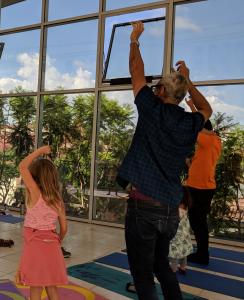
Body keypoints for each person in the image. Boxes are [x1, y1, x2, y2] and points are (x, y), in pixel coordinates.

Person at [117, 22, 212, 300]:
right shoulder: (190, 122)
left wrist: (134, 40)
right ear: (181, 97)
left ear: (159, 91)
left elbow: (136, 72)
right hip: (170, 209)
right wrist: (188, 82)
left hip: (143, 205)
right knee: (161, 266)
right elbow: (206, 108)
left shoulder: (151, 109)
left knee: (143, 274)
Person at [15, 145, 68, 300]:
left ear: (35, 176)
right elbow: (64, 228)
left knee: (36, 288)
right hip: (52, 245)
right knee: (52, 288)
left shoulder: (35, 192)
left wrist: (40, 151)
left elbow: (22, 166)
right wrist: (57, 241)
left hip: (34, 246)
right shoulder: (58, 199)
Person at [184, 98, 222, 265]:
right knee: (199, 222)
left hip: (199, 188)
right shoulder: (215, 141)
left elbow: (196, 124)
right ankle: (202, 252)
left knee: (197, 223)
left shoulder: (206, 140)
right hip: (205, 186)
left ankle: (202, 255)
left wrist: (192, 108)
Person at [168, 187, 193, 274]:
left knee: (174, 254)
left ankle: (173, 269)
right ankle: (183, 268)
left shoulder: (177, 210)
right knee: (183, 253)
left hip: (176, 235)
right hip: (184, 235)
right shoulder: (185, 208)